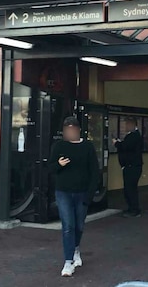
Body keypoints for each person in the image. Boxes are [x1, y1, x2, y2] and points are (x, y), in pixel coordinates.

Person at [48, 116, 99, 278]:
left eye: (72, 129)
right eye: (66, 129)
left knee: (79, 226)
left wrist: (90, 194)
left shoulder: (87, 147)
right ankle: (68, 261)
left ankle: (76, 248)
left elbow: (94, 172)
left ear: (77, 130)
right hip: (63, 192)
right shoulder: (59, 146)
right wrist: (59, 165)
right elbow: (50, 168)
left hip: (82, 192)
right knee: (68, 226)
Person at [113, 122, 144, 218]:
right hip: (131, 166)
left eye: (127, 125)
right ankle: (132, 208)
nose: (126, 127)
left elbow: (126, 146)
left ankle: (134, 209)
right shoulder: (135, 136)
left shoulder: (134, 136)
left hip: (131, 166)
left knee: (130, 188)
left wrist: (116, 143)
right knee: (130, 188)